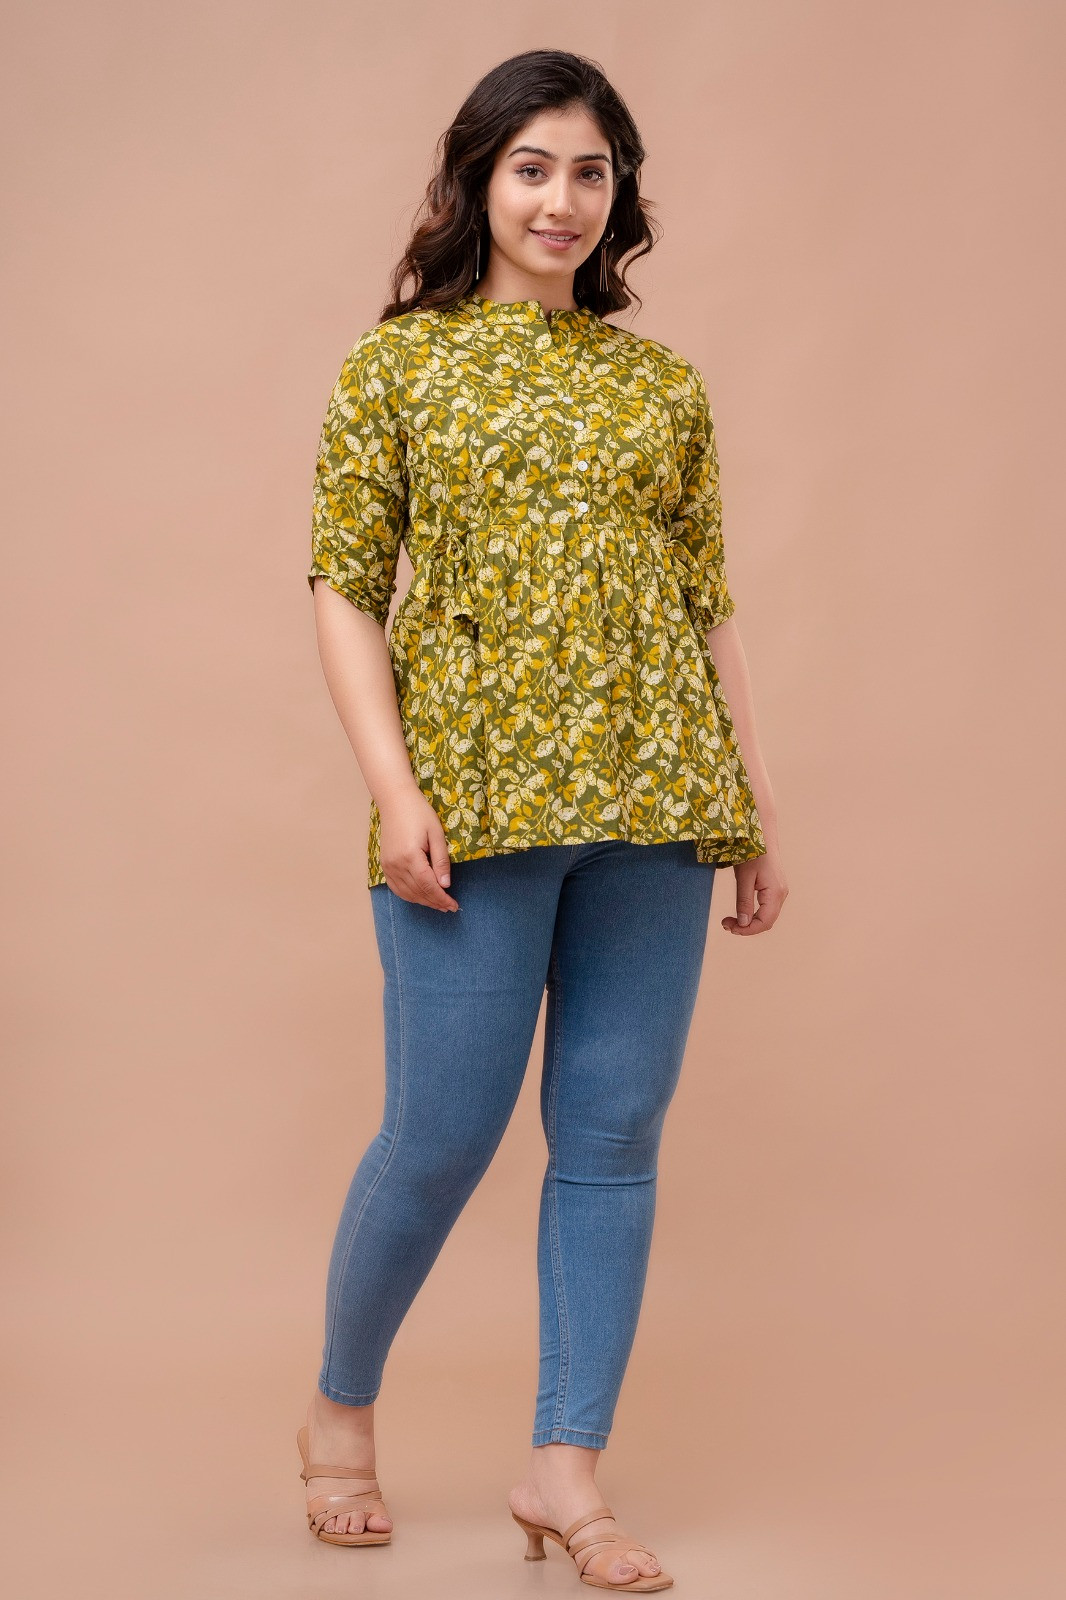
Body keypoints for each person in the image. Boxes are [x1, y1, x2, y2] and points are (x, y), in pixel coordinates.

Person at [297, 47, 789, 1593]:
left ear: (615, 192)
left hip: (656, 800)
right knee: (440, 1133)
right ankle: (338, 1414)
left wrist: (751, 805)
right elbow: (340, 588)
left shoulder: (660, 388)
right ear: (477, 181)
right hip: (476, 805)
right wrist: (394, 791)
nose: (560, 200)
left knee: (612, 1135)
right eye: (530, 168)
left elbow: (703, 607)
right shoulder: (396, 368)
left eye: (589, 171)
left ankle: (563, 1468)